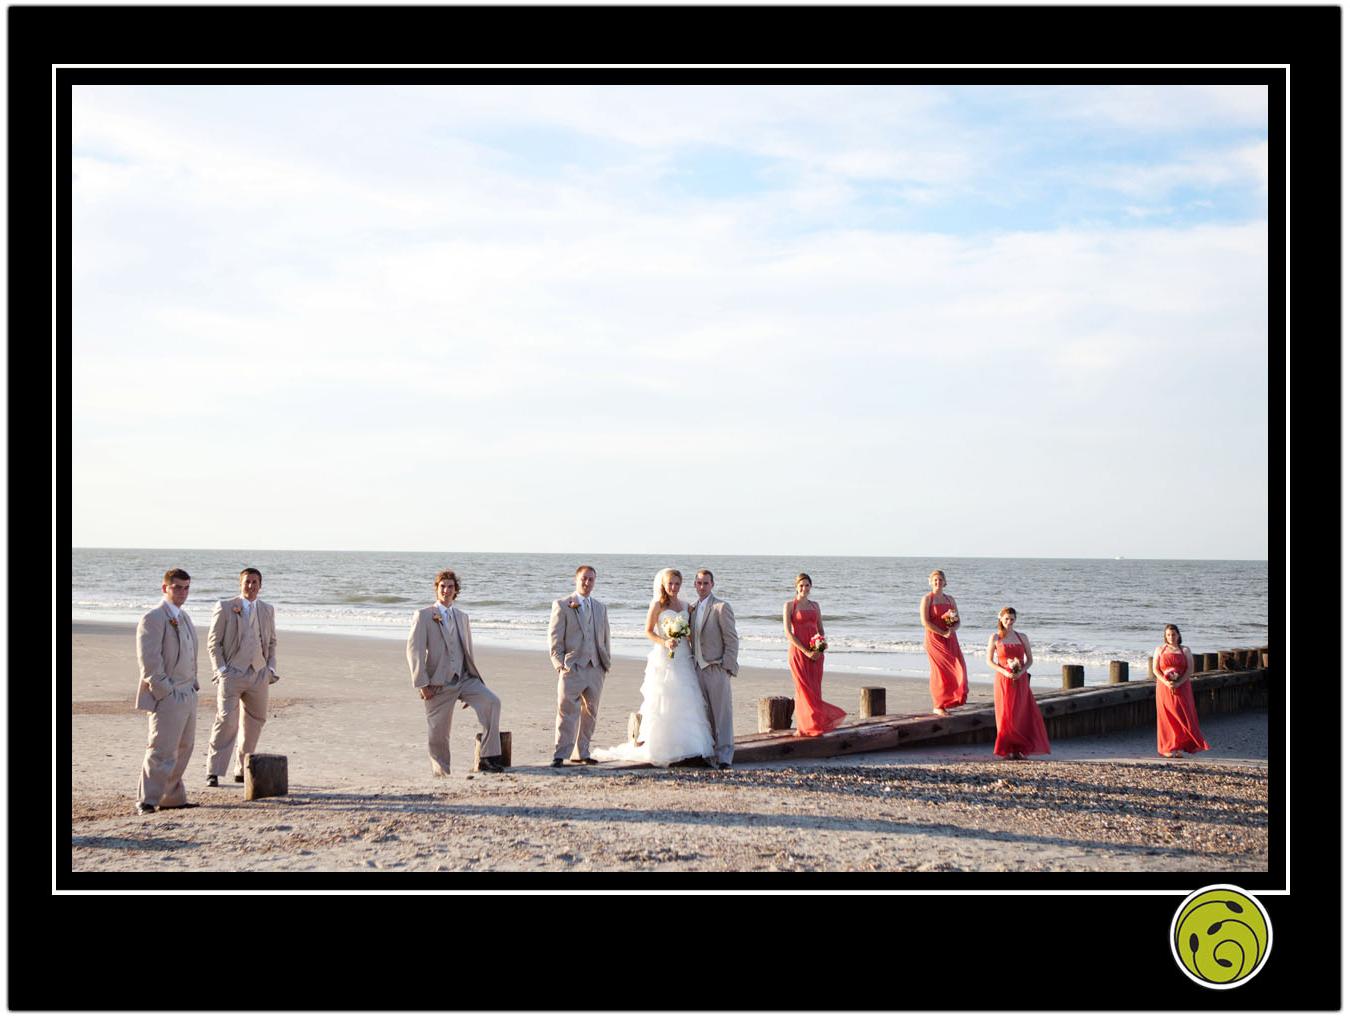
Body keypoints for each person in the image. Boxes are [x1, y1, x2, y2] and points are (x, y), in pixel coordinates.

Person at [593, 569, 714, 766]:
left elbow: (691, 633)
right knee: (664, 696)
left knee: (687, 696)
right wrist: (665, 642)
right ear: (664, 586)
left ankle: (690, 745)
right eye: (670, 584)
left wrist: (691, 645)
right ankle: (662, 744)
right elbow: (648, 631)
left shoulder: (686, 606)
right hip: (664, 655)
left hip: (683, 654)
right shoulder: (658, 605)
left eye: (677, 584)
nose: (674, 588)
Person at [406, 569, 505, 775]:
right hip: (437, 683)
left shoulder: (462, 617)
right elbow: (413, 651)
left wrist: (476, 682)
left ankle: (487, 757)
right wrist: (422, 684)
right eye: (442, 586)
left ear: (455, 591)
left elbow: (467, 651)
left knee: (492, 702)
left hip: (465, 679)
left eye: (450, 587)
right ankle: (442, 772)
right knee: (439, 733)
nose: (446, 590)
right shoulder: (423, 616)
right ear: (437, 589)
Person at [133, 568, 200, 815]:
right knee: (161, 748)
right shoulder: (153, 618)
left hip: (188, 693)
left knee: (184, 747)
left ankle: (172, 797)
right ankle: (147, 800)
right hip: (168, 694)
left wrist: (193, 686)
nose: (182, 592)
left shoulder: (185, 618)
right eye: (177, 587)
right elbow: (149, 662)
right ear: (165, 588)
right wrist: (165, 692)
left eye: (186, 587)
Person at [205, 567, 280, 786]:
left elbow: (272, 641)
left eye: (255, 582)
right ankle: (214, 771)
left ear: (260, 585)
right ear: (240, 584)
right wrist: (220, 670)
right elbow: (214, 642)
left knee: (255, 722)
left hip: (259, 673)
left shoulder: (267, 610)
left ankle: (242, 768)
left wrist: (270, 669)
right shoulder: (226, 607)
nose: (251, 586)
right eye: (247, 582)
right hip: (232, 673)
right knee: (226, 720)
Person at [547, 565, 611, 767]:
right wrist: (559, 665)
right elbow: (554, 638)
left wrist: (605, 663)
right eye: (584, 578)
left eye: (591, 579)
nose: (587, 582)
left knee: (590, 712)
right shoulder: (563, 604)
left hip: (596, 667)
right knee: (566, 710)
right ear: (576, 579)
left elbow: (605, 637)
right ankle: (560, 754)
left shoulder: (600, 607)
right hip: (572, 667)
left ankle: (582, 752)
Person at [783, 573, 846, 737]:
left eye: (807, 585)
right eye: (801, 585)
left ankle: (815, 725)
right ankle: (801, 727)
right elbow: (788, 633)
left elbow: (821, 630)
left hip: (816, 653)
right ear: (796, 587)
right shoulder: (790, 605)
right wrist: (806, 651)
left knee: (814, 689)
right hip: (798, 652)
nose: (804, 588)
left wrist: (819, 649)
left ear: (811, 587)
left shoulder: (815, 606)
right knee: (802, 689)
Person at [984, 607, 1051, 760]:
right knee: (1005, 714)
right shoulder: (995, 637)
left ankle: (1020, 748)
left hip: (1020, 679)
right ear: (1001, 618)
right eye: (1006, 619)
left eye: (1012, 619)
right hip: (1003, 679)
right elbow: (989, 661)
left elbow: (1030, 660)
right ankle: (1007, 748)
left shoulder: (1022, 637)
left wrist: (1021, 672)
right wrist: (1005, 672)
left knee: (1021, 713)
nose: (1009, 622)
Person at [690, 568, 739, 769]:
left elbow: (732, 639)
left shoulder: (721, 607)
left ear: (712, 585)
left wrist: (727, 667)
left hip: (716, 667)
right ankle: (709, 755)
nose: (702, 586)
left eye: (706, 583)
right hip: (697, 669)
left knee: (722, 715)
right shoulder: (691, 609)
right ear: (695, 585)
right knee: (705, 715)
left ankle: (725, 757)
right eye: (699, 583)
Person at [1152, 624, 1210, 758]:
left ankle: (1179, 748)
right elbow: (1155, 669)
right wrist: (1167, 682)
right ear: (1165, 636)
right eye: (1168, 635)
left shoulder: (1185, 650)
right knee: (1167, 715)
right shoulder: (1159, 649)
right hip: (1164, 687)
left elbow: (1190, 669)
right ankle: (1167, 747)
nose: (1171, 637)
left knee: (1182, 715)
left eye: (1173, 634)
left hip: (1183, 686)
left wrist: (1179, 682)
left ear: (1178, 635)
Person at [920, 568, 968, 716]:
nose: (938, 582)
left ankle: (952, 699)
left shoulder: (950, 599)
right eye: (935, 580)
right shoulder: (927, 599)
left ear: (945, 582)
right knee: (940, 672)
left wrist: (953, 629)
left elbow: (957, 620)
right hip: (934, 639)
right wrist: (942, 632)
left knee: (959, 666)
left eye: (940, 580)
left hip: (950, 638)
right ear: (930, 582)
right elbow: (925, 622)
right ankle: (938, 704)